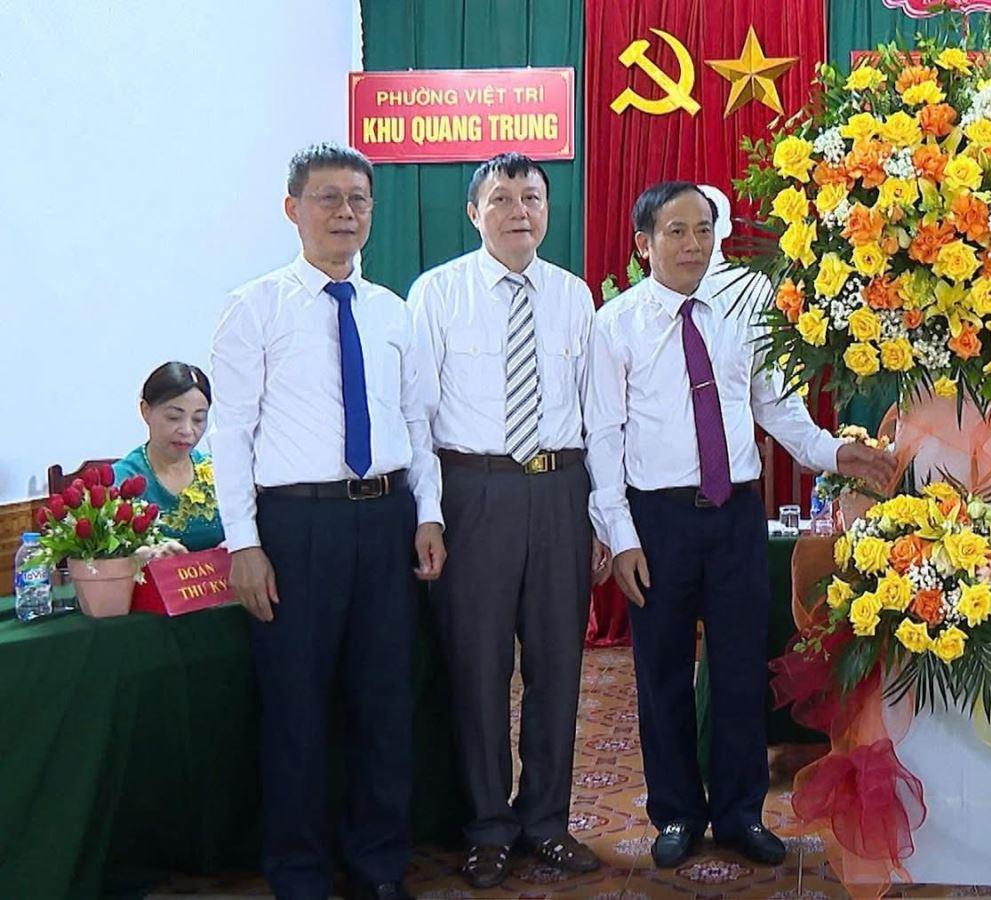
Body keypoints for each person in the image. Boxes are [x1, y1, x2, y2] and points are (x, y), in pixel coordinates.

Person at [586, 182, 897, 869]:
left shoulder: (742, 309)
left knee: (738, 670)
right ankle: (675, 813)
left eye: (704, 230)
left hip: (733, 516)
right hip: (657, 520)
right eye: (676, 232)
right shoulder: (615, 325)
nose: (694, 245)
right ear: (644, 245)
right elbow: (603, 438)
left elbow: (776, 407)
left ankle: (740, 813)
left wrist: (832, 452)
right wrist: (621, 535)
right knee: (663, 673)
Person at [210, 142, 445, 900]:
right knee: (296, 710)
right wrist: (244, 544)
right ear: (293, 209)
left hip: (386, 522)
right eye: (328, 198)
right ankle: (300, 874)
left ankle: (379, 867)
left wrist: (428, 514)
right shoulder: (255, 307)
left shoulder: (392, 312)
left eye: (358, 200)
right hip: (296, 528)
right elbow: (230, 434)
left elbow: (416, 421)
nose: (345, 212)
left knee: (384, 704)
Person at [408, 152, 608, 889]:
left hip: (560, 491)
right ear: (474, 212)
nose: (518, 211)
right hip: (474, 492)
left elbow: (597, 416)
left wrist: (600, 517)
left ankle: (546, 821)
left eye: (531, 198)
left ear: (548, 210)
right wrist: (429, 513)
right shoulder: (436, 293)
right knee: (479, 668)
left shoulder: (574, 296)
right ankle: (487, 825)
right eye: (501, 198)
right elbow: (416, 416)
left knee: (558, 666)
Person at [111, 361, 225, 551]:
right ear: (145, 410)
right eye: (174, 417)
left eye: (198, 419)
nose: (187, 430)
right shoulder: (121, 481)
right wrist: (143, 557)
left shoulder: (217, 472)